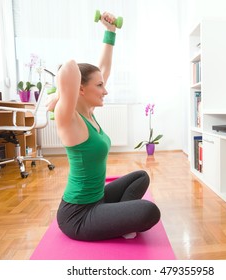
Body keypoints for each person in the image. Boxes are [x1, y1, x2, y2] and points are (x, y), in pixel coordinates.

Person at [53, 12, 161, 241]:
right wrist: (57, 97)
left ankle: (115, 220)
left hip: (98, 197)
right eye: (100, 85)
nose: (106, 90)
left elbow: (102, 69)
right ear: (80, 90)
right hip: (78, 215)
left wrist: (109, 31)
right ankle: (118, 220)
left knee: (141, 176)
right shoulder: (69, 120)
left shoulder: (88, 113)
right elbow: (69, 68)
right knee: (149, 212)